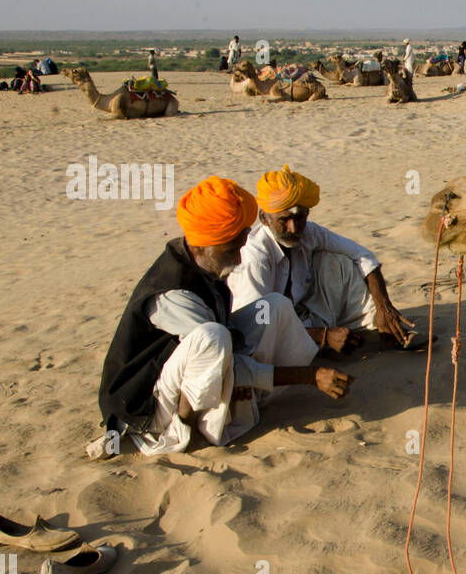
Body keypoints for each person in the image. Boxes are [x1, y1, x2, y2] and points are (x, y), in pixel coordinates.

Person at [92, 176, 350, 458]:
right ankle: (185, 431)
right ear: (202, 245)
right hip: (146, 402)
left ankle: (245, 397)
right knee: (212, 336)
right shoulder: (173, 294)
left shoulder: (204, 263)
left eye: (240, 247)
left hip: (189, 368)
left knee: (274, 307)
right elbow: (216, 348)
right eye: (231, 250)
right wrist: (309, 376)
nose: (239, 259)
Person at [228, 166, 419, 350]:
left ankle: (385, 329)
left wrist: (384, 306)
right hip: (266, 334)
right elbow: (256, 326)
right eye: (284, 220)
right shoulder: (255, 257)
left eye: (300, 218)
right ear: (264, 219)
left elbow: (363, 256)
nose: (293, 229)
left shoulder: (309, 233)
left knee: (340, 262)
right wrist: (323, 335)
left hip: (302, 316)